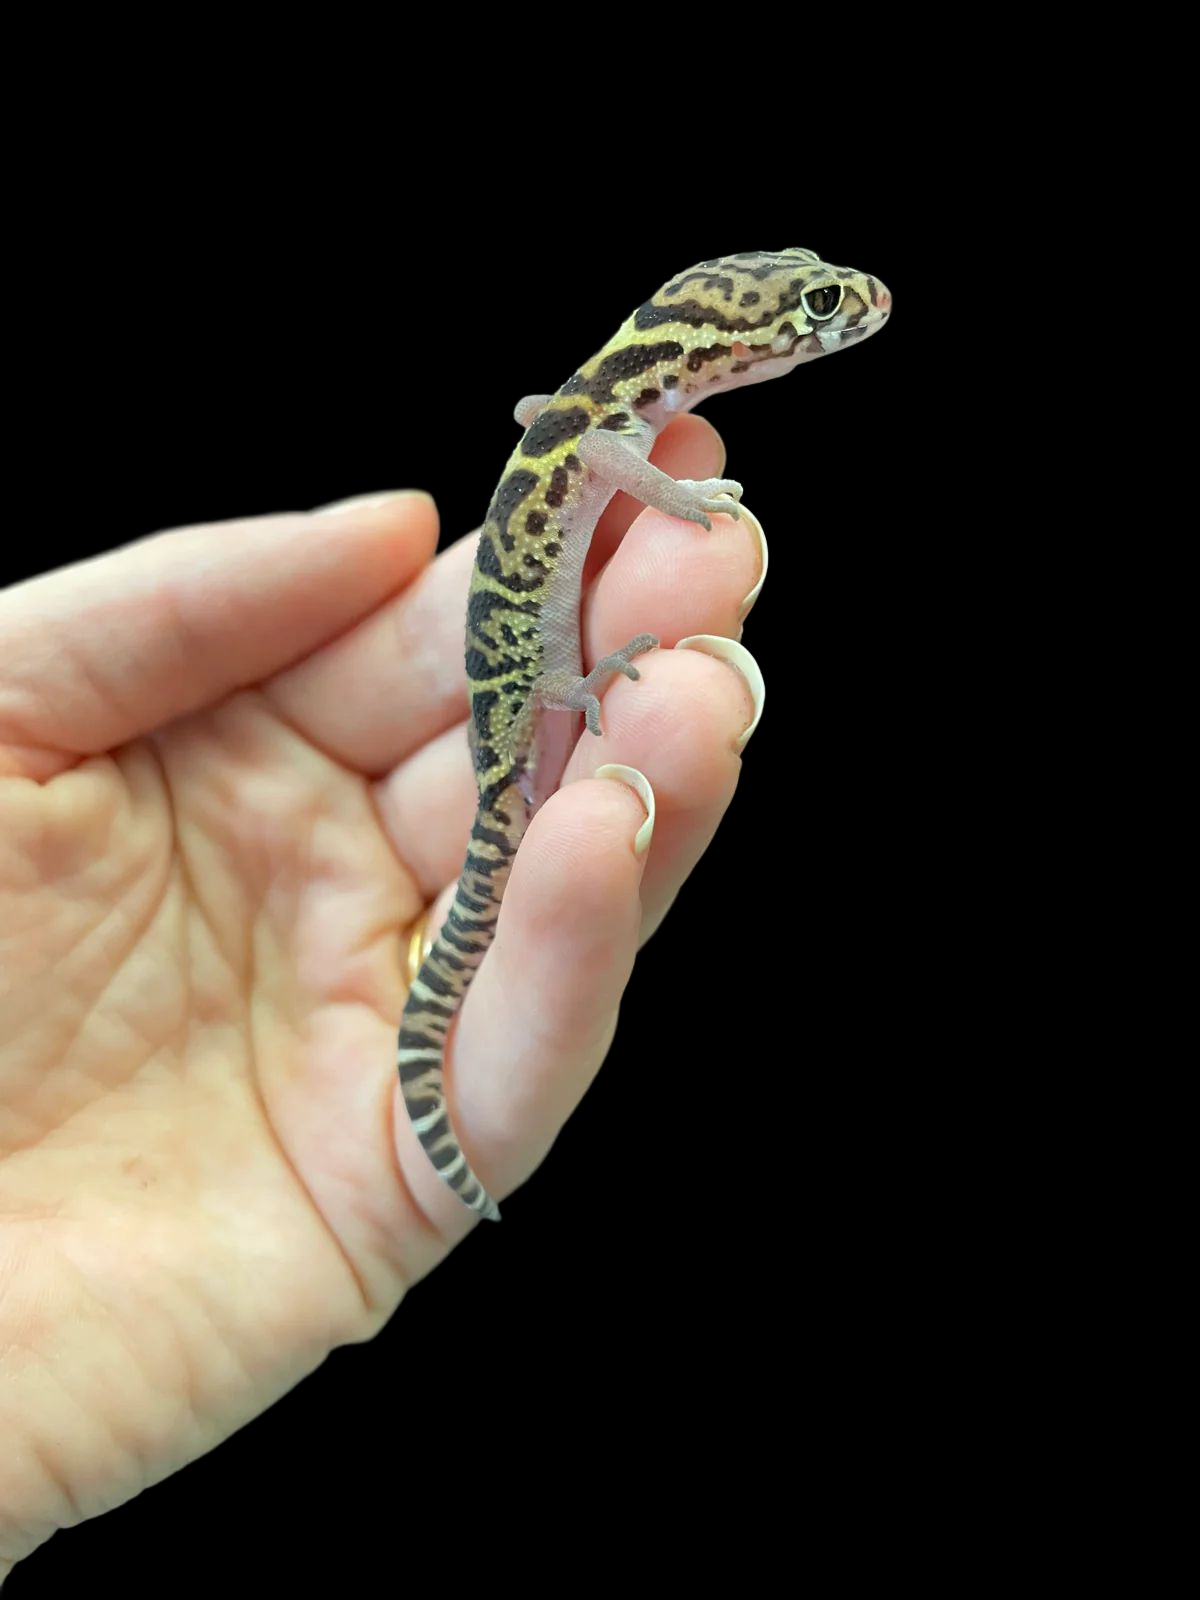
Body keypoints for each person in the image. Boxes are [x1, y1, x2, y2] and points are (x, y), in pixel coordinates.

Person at [0, 413, 764, 1574]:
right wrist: (664, 501)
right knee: (545, 832)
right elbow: (593, 454)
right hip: (524, 686)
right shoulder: (605, 426)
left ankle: (436, 1075)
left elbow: (545, 427)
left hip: (524, 671)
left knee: (555, 843)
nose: (830, 326)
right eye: (808, 317)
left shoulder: (586, 413)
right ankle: (438, 1084)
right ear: (719, 347)